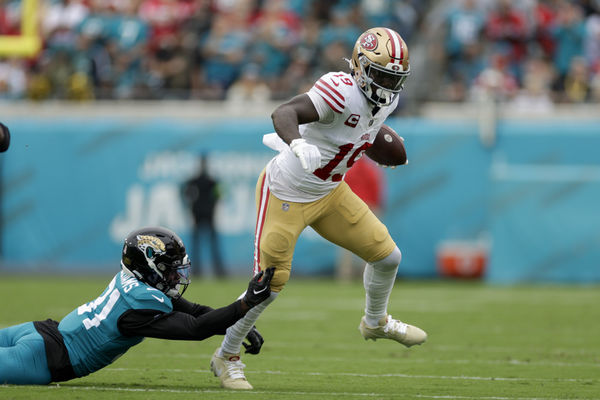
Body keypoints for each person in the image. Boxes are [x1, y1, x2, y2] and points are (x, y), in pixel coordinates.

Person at [210, 27, 427, 391]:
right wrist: (296, 143)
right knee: (270, 285)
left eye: (395, 78)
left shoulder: (386, 101)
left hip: (329, 191)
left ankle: (375, 321)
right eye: (382, 75)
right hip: (287, 191)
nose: (388, 85)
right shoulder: (340, 90)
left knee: (388, 256)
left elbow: (363, 132)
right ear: (360, 67)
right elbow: (284, 112)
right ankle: (226, 356)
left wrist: (375, 142)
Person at [0, 226, 274, 385]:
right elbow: (196, 328)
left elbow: (196, 311)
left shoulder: (130, 280)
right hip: (44, 359)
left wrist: (238, 326)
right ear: (149, 265)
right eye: (169, 270)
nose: (175, 276)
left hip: (42, 331)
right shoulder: (140, 303)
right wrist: (246, 303)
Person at [182, 154, 226, 277]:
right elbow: (220, 194)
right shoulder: (208, 181)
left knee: (205, 245)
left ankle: (207, 271)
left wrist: (190, 205)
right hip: (203, 215)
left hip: (203, 215)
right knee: (204, 245)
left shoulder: (204, 181)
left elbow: (219, 194)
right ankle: (212, 272)